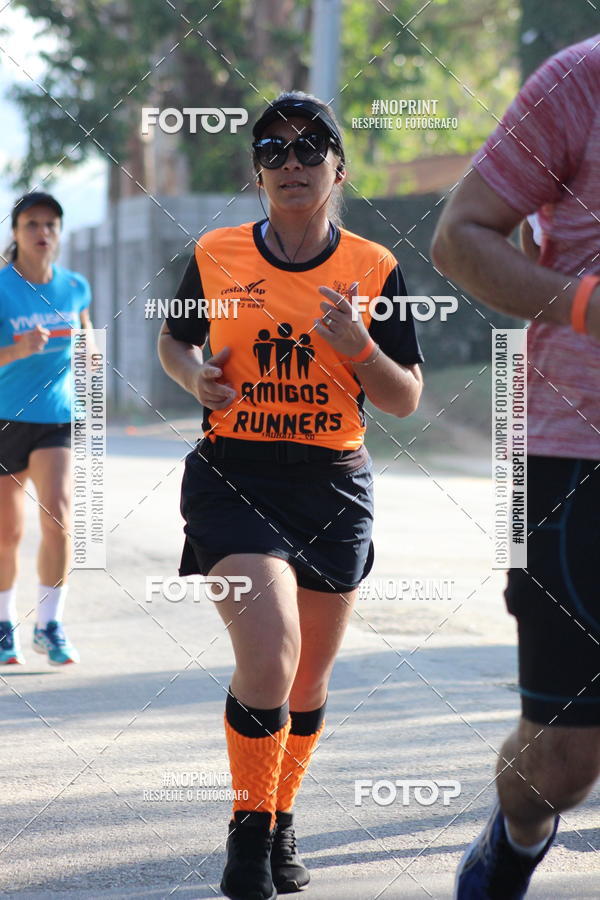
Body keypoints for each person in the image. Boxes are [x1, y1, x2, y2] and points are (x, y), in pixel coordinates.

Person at [158, 91, 424, 900]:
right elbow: (175, 338)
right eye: (273, 151)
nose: (293, 163)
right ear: (257, 173)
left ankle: (280, 816)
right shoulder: (215, 252)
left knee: (307, 682)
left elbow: (406, 396)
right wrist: (191, 376)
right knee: (269, 658)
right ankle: (248, 836)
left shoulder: (375, 268)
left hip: (332, 486)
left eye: (311, 149)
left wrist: (360, 348)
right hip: (234, 476)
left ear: (338, 169)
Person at [431, 35, 600, 900]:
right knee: (564, 762)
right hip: (577, 457)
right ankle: (516, 838)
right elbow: (457, 239)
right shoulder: (579, 81)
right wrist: (581, 300)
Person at [0, 192, 94, 666]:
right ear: (15, 233)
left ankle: (49, 625)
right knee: (6, 532)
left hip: (54, 417)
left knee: (58, 516)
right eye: (32, 224)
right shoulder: (1, 288)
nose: (42, 233)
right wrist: (17, 351)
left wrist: (91, 355)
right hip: (3, 417)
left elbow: (86, 333)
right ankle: (2, 623)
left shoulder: (75, 286)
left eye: (51, 225)